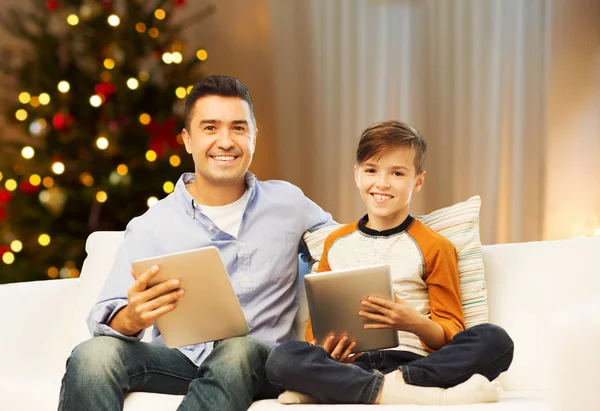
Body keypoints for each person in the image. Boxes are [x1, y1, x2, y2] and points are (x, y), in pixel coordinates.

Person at [57, 75, 333, 411]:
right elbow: (109, 317)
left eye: (238, 128)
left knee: (237, 349)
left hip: (261, 363)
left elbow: (345, 248)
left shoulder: (289, 203)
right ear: (187, 140)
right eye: (210, 127)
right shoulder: (151, 225)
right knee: (92, 355)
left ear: (254, 137)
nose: (226, 141)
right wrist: (133, 317)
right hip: (180, 362)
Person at [266, 120, 514, 405]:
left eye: (397, 173)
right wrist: (329, 350)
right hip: (350, 364)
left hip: (414, 364)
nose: (382, 183)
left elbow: (451, 333)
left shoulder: (436, 245)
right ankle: (418, 396)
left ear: (418, 181)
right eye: (371, 170)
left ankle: (363, 388)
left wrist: (413, 322)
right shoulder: (334, 243)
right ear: (356, 175)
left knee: (495, 340)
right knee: (281, 358)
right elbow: (316, 336)